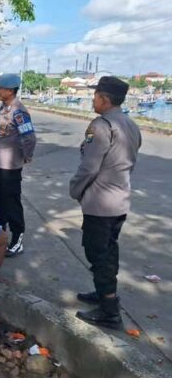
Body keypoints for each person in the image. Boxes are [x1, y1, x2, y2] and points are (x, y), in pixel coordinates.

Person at [70, 76, 141, 330]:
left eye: (95, 95)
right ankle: (103, 293)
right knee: (109, 250)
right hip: (120, 201)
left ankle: (109, 310)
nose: (93, 99)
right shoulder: (131, 125)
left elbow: (89, 167)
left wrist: (75, 190)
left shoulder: (101, 126)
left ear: (104, 98)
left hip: (100, 204)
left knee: (98, 253)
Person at [0, 73, 36, 257]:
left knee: (11, 202)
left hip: (10, 166)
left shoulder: (19, 112)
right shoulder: (3, 108)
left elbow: (29, 138)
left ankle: (17, 239)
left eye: (0, 88)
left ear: (9, 91)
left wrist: (26, 156)